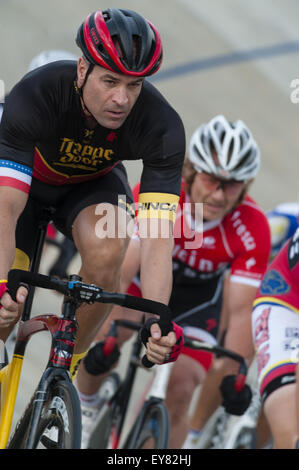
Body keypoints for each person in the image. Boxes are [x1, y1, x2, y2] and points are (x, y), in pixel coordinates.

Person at [0, 9, 186, 389]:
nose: (121, 99)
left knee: (110, 249)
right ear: (82, 69)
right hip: (27, 188)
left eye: (134, 85)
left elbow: (156, 238)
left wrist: (158, 318)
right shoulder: (37, 93)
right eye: (110, 81)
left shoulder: (161, 126)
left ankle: (64, 369)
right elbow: (6, 209)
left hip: (91, 187)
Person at [76, 114, 271, 448]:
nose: (220, 195)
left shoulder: (253, 227)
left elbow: (241, 313)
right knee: (104, 339)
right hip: (140, 284)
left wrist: (235, 377)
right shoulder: (159, 192)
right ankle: (86, 405)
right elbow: (122, 271)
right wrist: (105, 331)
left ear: (246, 187)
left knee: (181, 389)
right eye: (212, 180)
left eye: (233, 185)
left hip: (197, 302)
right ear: (192, 171)